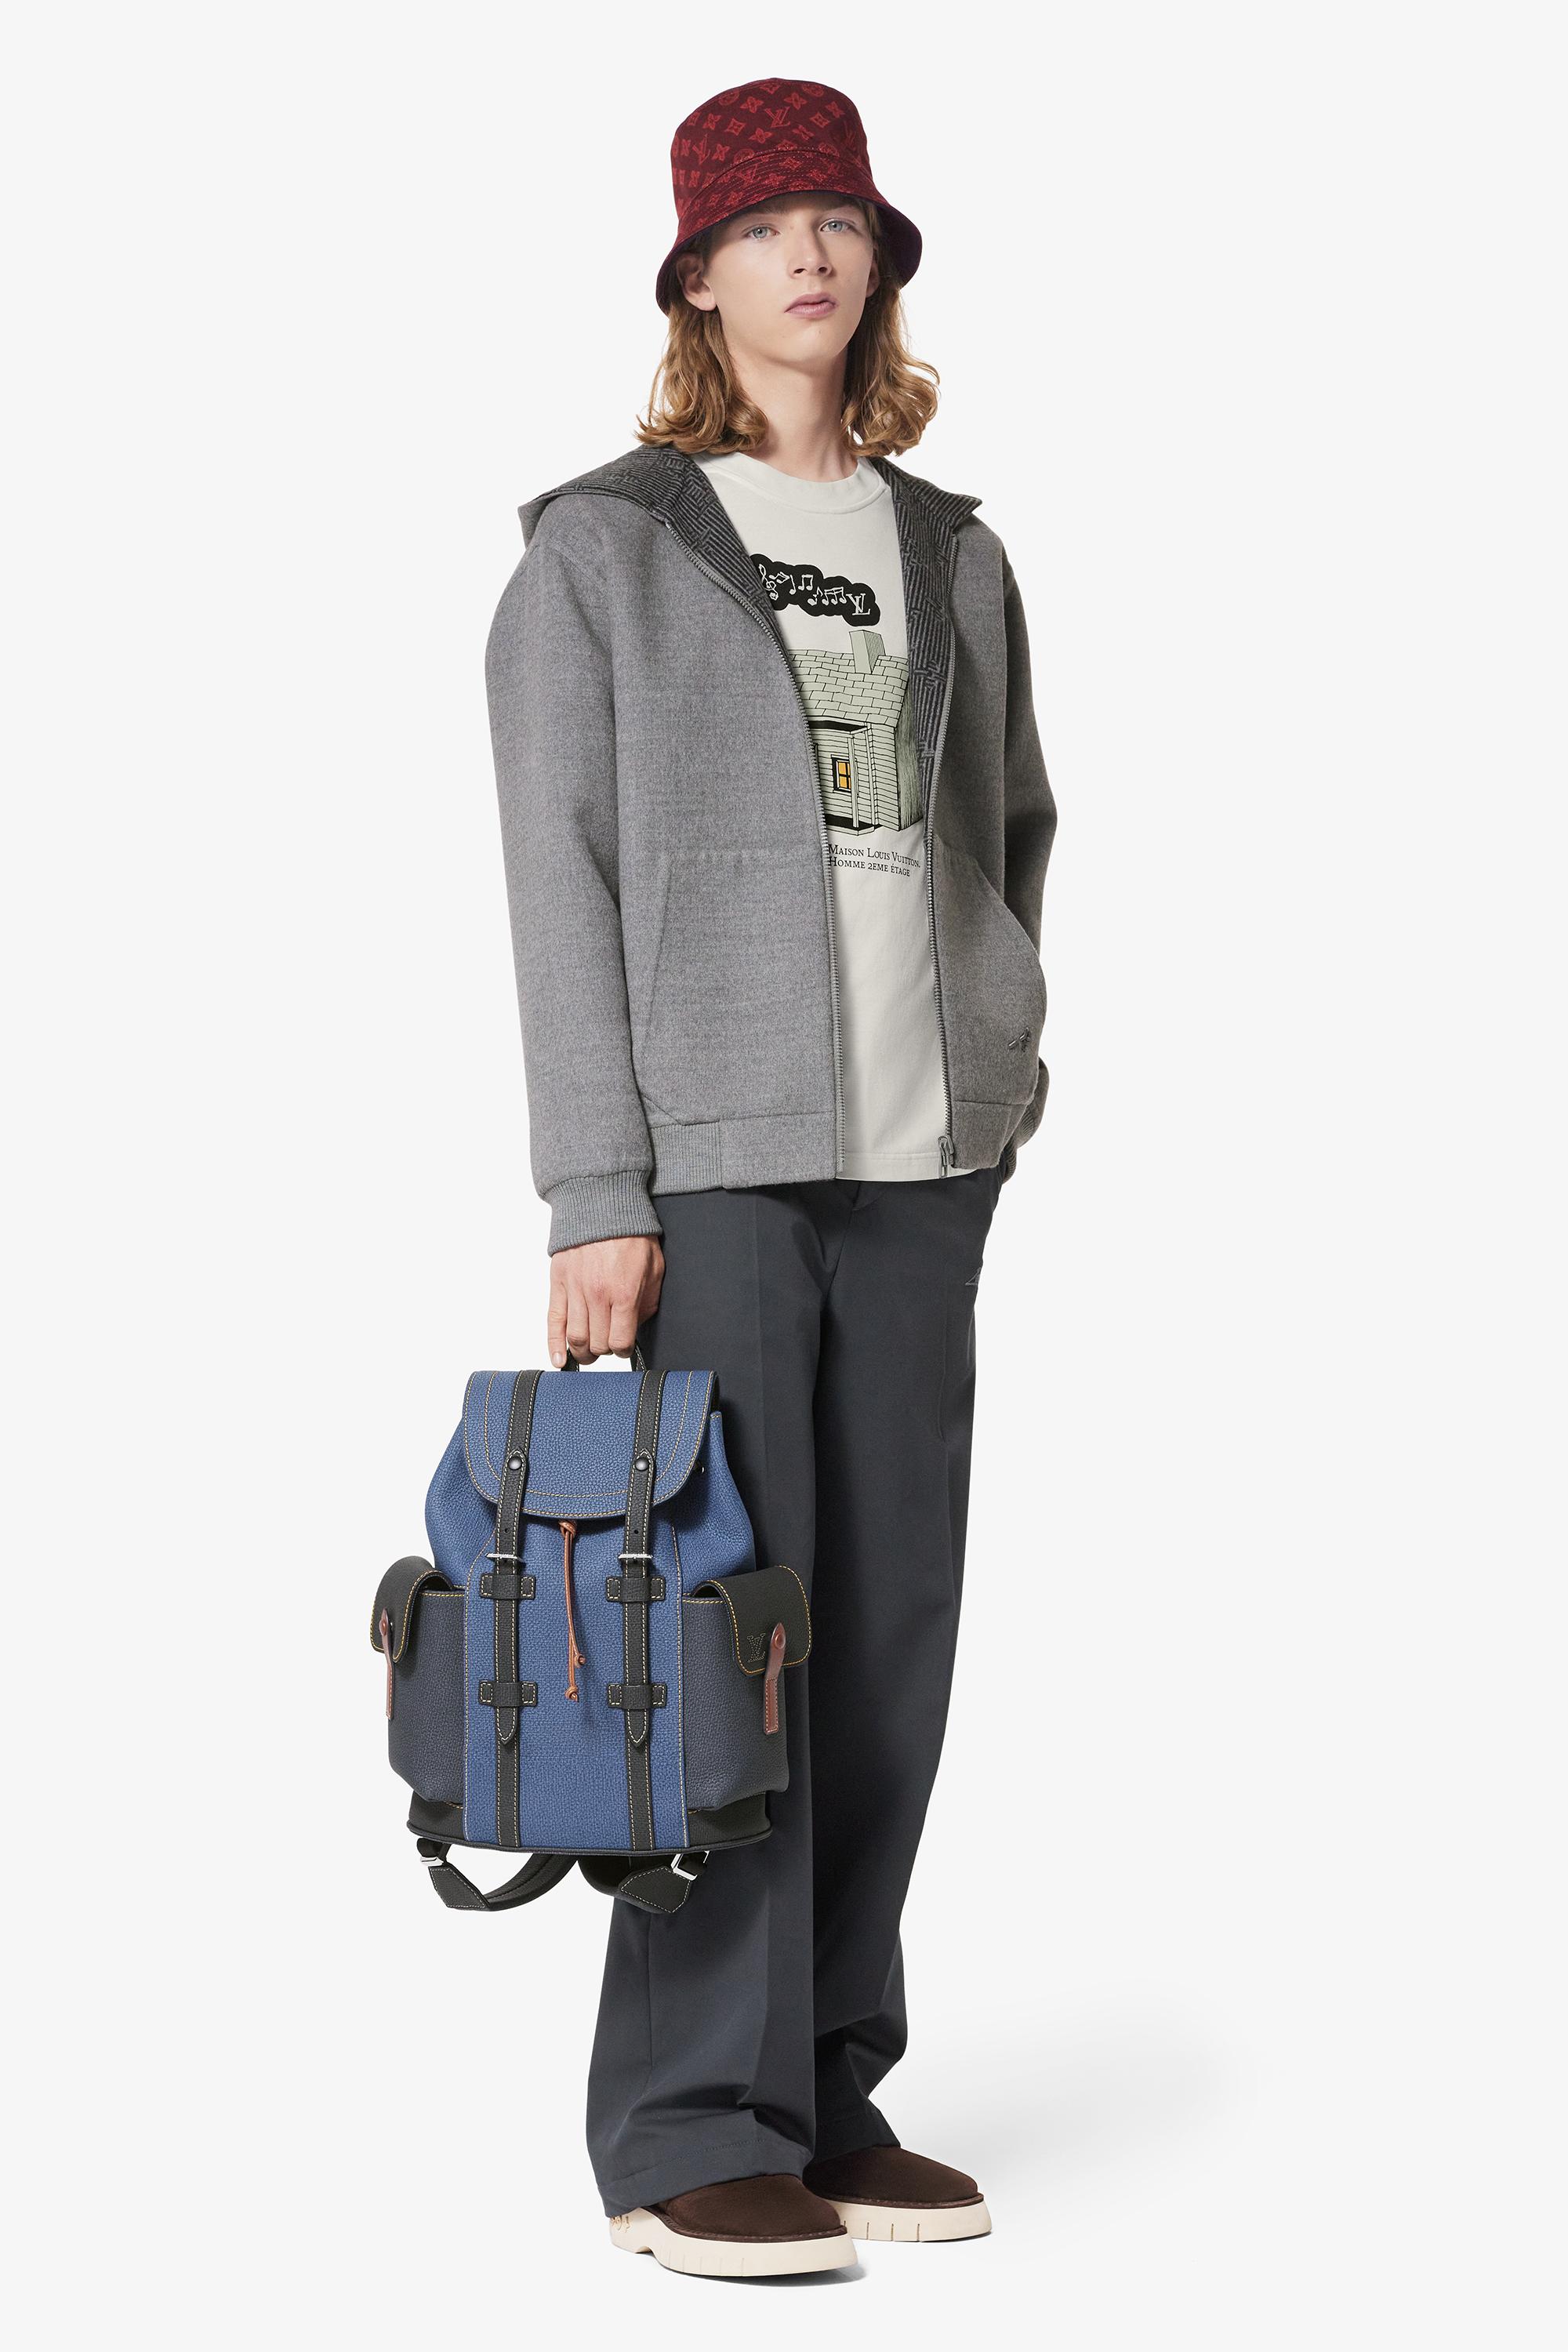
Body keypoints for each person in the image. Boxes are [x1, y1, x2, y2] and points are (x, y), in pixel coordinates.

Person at [485, 75, 1055, 2279]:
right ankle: (686, 2123)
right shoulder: (606, 548)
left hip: (925, 1163)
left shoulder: (954, 549)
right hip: (710, 1173)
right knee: (720, 1636)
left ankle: (823, 2084)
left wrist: (1000, 1058)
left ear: (878, 263)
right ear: (698, 281)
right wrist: (596, 1188)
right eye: (761, 224)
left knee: (889, 1633)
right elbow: (561, 882)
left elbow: (1009, 827)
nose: (809, 251)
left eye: (839, 216)